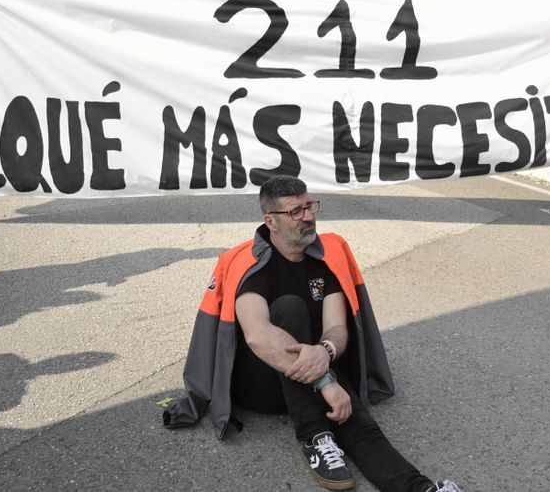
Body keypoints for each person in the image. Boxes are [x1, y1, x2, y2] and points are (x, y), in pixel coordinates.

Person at [162, 176, 463, 492]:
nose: (308, 216)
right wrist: (326, 380)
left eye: (310, 206)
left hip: (316, 363)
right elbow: (257, 335)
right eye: (295, 211)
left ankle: (422, 488)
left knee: (359, 423)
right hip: (263, 383)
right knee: (289, 308)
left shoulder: (324, 259)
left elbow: (336, 327)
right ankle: (314, 437)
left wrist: (326, 352)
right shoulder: (253, 266)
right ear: (271, 221)